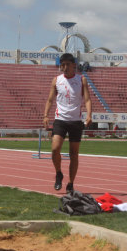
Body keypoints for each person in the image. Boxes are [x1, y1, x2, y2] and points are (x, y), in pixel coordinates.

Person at [43, 53, 92, 193]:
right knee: (55, 148)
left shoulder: (81, 80)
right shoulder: (56, 80)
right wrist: (45, 115)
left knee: (74, 154)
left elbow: (87, 99)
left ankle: (71, 183)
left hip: (76, 120)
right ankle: (58, 173)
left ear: (73, 66)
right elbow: (50, 100)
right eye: (62, 65)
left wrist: (89, 115)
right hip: (60, 119)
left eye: (67, 65)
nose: (64, 67)